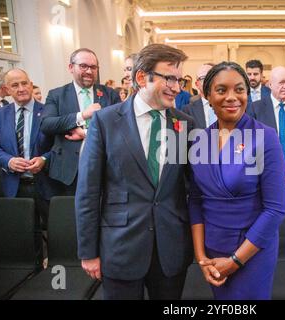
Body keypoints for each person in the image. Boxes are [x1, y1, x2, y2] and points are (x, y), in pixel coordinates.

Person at [76, 44, 194, 300]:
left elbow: (193, 186)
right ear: (142, 77)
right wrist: (88, 251)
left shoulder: (184, 124)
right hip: (120, 247)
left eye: (180, 79)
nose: (177, 87)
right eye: (169, 78)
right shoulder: (106, 122)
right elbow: (88, 191)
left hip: (171, 249)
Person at [189, 62, 285, 300]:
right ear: (207, 95)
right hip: (213, 250)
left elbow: (276, 209)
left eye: (239, 90)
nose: (232, 97)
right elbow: (195, 201)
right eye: (221, 90)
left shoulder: (266, 137)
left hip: (252, 252)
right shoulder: (199, 140)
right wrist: (201, 258)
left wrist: (235, 261)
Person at [0, 69, 54, 268]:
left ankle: (58, 279)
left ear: (31, 84)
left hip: (45, 184)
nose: (22, 88)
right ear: (7, 89)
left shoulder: (48, 111)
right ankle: (31, 275)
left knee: (55, 233)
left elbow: (59, 148)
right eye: (15, 85)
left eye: (24, 83)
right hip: (14, 185)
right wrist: (8, 161)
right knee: (24, 236)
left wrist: (43, 159)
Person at [40, 48, 120, 195]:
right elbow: (47, 124)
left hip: (105, 169)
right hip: (68, 173)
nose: (89, 71)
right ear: (71, 67)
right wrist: (82, 115)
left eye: (93, 67)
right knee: (70, 216)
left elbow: (120, 128)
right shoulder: (57, 95)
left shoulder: (110, 95)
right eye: (83, 66)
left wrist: (86, 133)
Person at [183, 63, 216, 129]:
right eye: (203, 78)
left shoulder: (230, 106)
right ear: (197, 84)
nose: (208, 81)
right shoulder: (187, 111)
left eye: (211, 76)